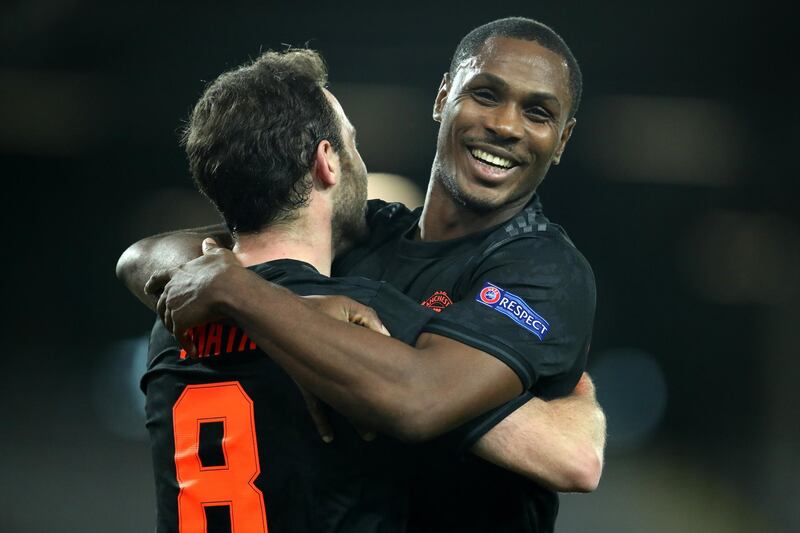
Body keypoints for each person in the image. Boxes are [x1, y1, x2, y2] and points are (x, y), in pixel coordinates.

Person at [120, 17, 605, 533]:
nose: (506, 125)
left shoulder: (544, 269)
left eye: (537, 113)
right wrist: (280, 303)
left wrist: (259, 300)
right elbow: (153, 254)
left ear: (562, 140)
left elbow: (421, 399)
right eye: (485, 95)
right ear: (443, 97)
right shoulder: (357, 234)